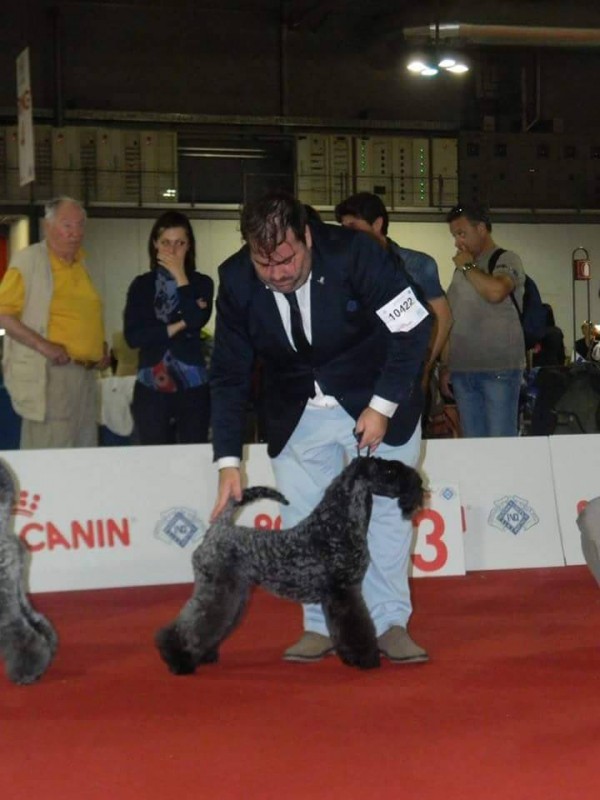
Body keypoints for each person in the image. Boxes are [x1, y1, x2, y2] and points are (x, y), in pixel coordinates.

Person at [209, 190, 433, 664]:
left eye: (287, 259)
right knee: (305, 523)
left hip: (377, 396)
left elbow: (414, 327)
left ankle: (391, 622)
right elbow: (228, 375)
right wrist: (228, 461)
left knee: (387, 518)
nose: (278, 274)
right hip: (297, 412)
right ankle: (320, 624)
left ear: (306, 235)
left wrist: (382, 405)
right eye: (263, 263)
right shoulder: (234, 280)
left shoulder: (359, 253)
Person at [0, 196, 108, 449]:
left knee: (84, 455)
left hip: (87, 377)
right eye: (67, 225)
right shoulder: (29, 261)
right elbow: (3, 313)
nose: (75, 232)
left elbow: (86, 313)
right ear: (48, 227)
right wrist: (43, 345)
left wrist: (99, 347)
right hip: (51, 376)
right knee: (52, 456)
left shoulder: (83, 263)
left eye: (80, 225)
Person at [334, 191, 452, 384]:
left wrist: (423, 367)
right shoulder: (343, 268)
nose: (347, 234)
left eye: (353, 226)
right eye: (343, 227)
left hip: (403, 369)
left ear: (377, 224)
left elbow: (443, 318)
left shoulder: (416, 265)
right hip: (359, 373)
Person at [123, 210, 213, 445]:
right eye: (166, 243)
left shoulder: (202, 283)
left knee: (193, 454)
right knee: (153, 458)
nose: (172, 251)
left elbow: (197, 320)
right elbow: (133, 337)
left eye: (179, 243)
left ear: (189, 246)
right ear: (155, 244)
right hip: (151, 384)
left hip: (193, 385)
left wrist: (181, 276)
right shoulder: (141, 285)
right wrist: (178, 326)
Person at [440, 203, 526, 437]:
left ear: (481, 229)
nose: (458, 242)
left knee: (499, 444)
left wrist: (468, 266)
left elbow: (496, 292)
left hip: (498, 370)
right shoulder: (461, 271)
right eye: (454, 236)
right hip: (463, 371)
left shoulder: (506, 259)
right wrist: (445, 366)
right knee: (474, 447)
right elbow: (449, 317)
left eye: (461, 233)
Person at [531, 303, 566, 368]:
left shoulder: (538, 332)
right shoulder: (557, 331)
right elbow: (561, 354)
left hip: (541, 368)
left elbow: (535, 352)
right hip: (555, 367)